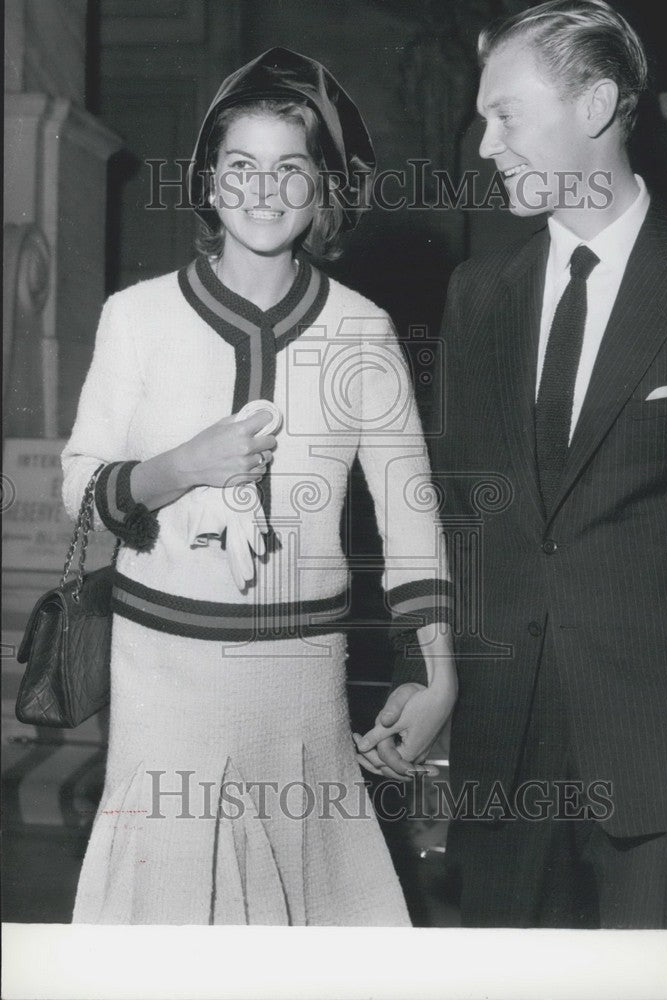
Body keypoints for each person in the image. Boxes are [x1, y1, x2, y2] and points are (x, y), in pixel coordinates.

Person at [358, 1, 667, 929]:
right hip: (504, 765)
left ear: (598, 104)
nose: (485, 146)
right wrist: (428, 667)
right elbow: (456, 506)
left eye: (506, 115)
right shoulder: (478, 293)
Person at [62, 47, 456, 925]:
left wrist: (440, 676)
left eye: (292, 169)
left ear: (324, 191)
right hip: (166, 675)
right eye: (240, 166)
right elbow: (81, 490)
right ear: (207, 182)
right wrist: (183, 467)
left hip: (304, 684)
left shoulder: (365, 328)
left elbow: (411, 515)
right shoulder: (137, 318)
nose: (264, 190)